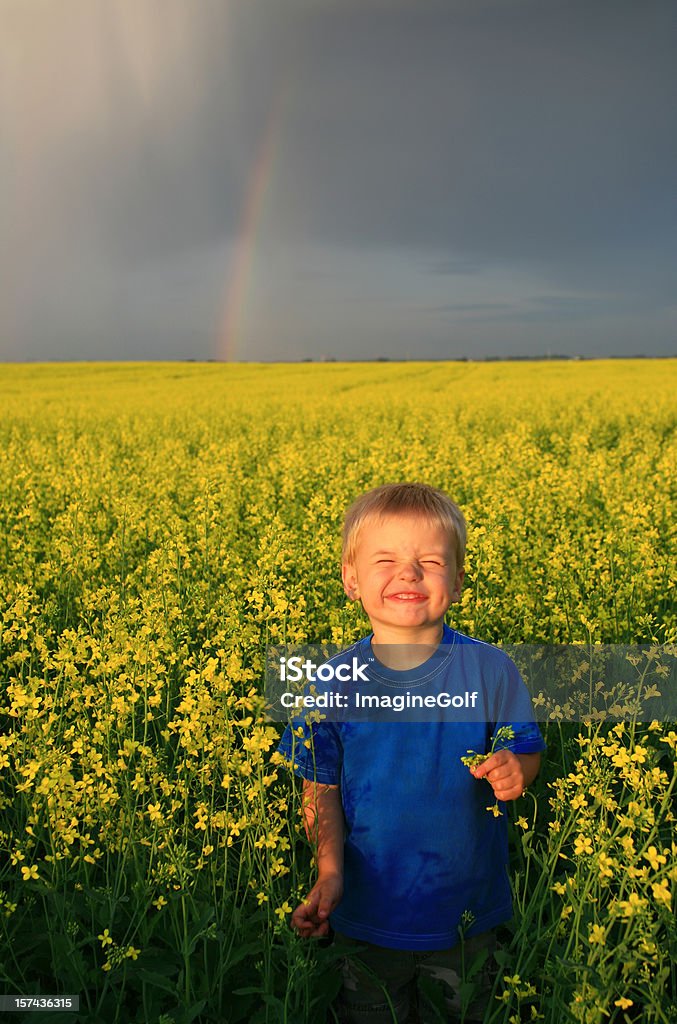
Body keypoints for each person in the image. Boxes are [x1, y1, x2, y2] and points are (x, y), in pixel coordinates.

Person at [276, 483, 545, 1023]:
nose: (408, 573)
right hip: (366, 912)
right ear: (352, 580)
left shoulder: (492, 671)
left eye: (428, 560)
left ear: (459, 580)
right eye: (385, 560)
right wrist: (329, 873)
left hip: (466, 916)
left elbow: (526, 752)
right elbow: (319, 789)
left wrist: (519, 770)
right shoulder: (331, 684)